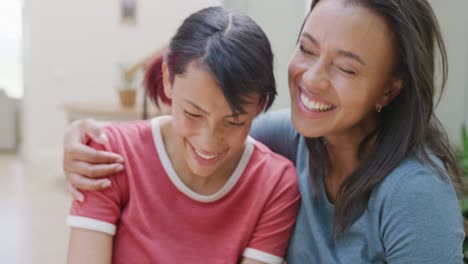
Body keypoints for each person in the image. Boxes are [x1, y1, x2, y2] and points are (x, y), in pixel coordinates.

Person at [63, 0, 465, 263]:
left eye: (345, 68)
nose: (312, 79)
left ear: (390, 87)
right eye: (307, 49)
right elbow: (213, 126)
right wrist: (84, 138)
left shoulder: (415, 193)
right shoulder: (292, 137)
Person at [66, 6, 300, 264]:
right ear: (168, 78)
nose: (208, 141)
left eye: (234, 122)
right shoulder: (109, 155)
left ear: (259, 106)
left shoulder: (275, 185)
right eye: (193, 114)